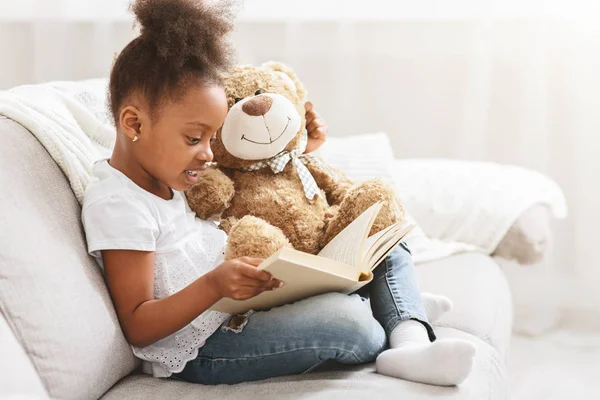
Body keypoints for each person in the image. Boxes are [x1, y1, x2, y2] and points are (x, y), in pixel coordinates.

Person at [82, 0, 476, 387]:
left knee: (382, 232)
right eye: (193, 138)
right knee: (351, 326)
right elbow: (137, 324)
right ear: (134, 123)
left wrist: (299, 150)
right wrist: (214, 286)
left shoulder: (168, 168)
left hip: (245, 304)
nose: (207, 154)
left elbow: (246, 174)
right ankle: (395, 310)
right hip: (206, 347)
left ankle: (408, 333)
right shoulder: (120, 203)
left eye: (213, 138)